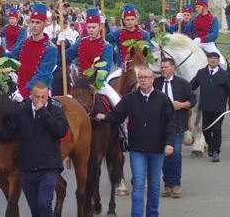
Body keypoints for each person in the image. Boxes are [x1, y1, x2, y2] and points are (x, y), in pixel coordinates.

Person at [96, 66, 175, 217]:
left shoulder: (162, 99)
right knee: (138, 184)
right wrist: (105, 117)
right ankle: (137, 214)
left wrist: (169, 143)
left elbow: (171, 122)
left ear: (152, 79)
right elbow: (118, 115)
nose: (143, 80)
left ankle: (152, 214)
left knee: (153, 185)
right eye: (141, 78)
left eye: (146, 77)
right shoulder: (130, 98)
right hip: (137, 149)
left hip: (157, 149)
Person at [0, 82, 69, 217]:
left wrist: (43, 113)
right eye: (37, 97)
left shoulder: (56, 111)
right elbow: (10, 133)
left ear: (48, 95)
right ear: (31, 95)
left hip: (49, 167)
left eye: (43, 97)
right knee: (35, 209)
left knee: (44, 204)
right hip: (28, 169)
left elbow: (60, 130)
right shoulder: (22, 112)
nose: (40, 100)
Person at [154, 58, 196, 198]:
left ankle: (176, 184)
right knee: (165, 155)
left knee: (175, 153)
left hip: (178, 124)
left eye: (166, 67)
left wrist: (182, 105)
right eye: (162, 67)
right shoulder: (156, 83)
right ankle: (167, 184)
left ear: (173, 68)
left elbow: (193, 100)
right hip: (160, 125)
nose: (163, 70)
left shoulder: (183, 84)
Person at [59, 7, 119, 106]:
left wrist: (94, 84)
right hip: (80, 84)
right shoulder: (80, 42)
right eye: (89, 27)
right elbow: (65, 58)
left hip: (99, 85)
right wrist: (60, 44)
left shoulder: (107, 46)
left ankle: (123, 122)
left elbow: (105, 69)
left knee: (117, 103)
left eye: (93, 27)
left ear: (100, 26)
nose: (91, 30)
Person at [9, 3, 58, 101]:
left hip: (39, 94)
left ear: (44, 24)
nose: (34, 25)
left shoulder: (51, 49)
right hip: (20, 89)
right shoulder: (25, 42)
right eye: (32, 22)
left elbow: (42, 75)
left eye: (38, 22)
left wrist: (24, 92)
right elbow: (11, 55)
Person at [189, 52, 230, 162]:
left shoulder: (224, 75)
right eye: (211, 58)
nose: (213, 60)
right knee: (206, 130)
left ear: (218, 61)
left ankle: (216, 152)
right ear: (207, 60)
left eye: (215, 58)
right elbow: (192, 85)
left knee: (216, 129)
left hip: (219, 108)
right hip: (205, 107)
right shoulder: (201, 73)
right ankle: (211, 146)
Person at [105, 4, 152, 81]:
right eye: (128, 20)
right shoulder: (118, 33)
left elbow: (149, 52)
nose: (130, 22)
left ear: (136, 20)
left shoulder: (144, 34)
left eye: (132, 19)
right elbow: (106, 38)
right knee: (108, 81)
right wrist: (103, 25)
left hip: (139, 69)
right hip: (122, 69)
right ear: (124, 21)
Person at [180, 0, 225, 70]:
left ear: (204, 7)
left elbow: (214, 34)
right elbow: (186, 30)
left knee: (222, 63)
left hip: (209, 44)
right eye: (196, 7)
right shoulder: (195, 19)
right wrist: (181, 21)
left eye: (198, 7)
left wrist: (201, 39)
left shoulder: (213, 19)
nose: (196, 9)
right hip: (196, 43)